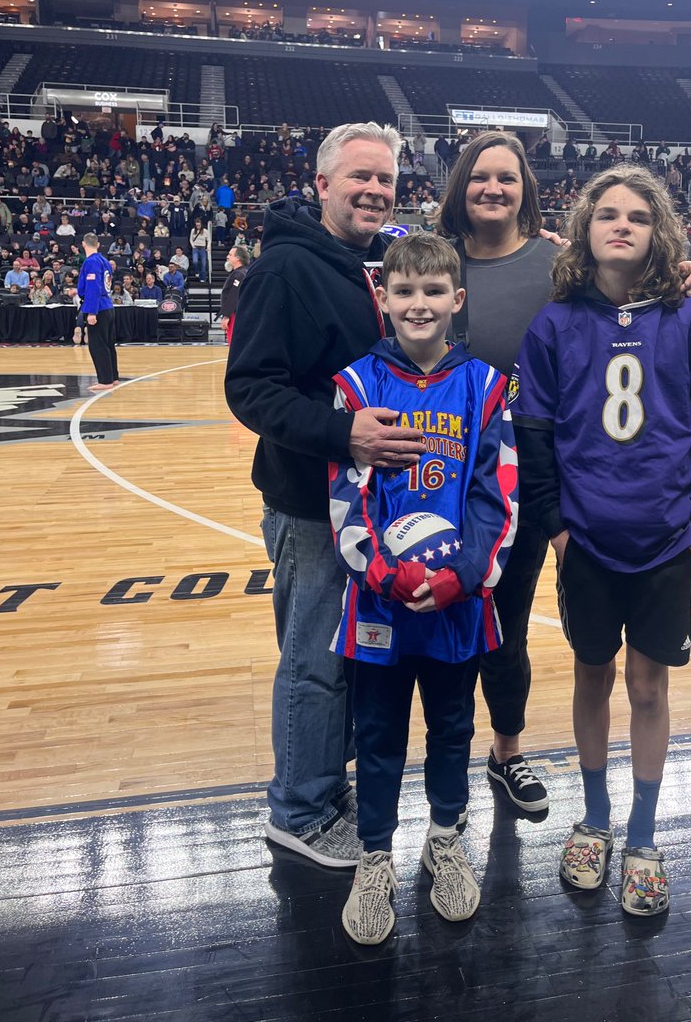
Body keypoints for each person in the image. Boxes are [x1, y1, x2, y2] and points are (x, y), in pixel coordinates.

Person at [509, 164, 691, 916]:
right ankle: (593, 820)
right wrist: (554, 528)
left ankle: (644, 834)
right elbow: (533, 435)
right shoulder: (554, 323)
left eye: (639, 217)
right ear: (584, 227)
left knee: (649, 687)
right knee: (592, 676)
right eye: (607, 213)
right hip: (584, 545)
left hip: (664, 549)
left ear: (661, 234)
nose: (622, 224)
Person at [435, 132, 691, 812]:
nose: (493, 188)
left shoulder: (557, 262)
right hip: (439, 473)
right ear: (459, 186)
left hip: (525, 477)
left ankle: (507, 753)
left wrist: (690, 272)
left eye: (507, 176)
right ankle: (441, 772)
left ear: (527, 190)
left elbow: (636, 280)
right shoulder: (437, 261)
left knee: (507, 626)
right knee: (435, 625)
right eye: (480, 176)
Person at [225, 122, 426, 867]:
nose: (374, 191)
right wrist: (345, 435)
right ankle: (299, 811)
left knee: (338, 658)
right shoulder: (286, 268)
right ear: (322, 186)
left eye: (386, 182)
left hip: (354, 504)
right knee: (313, 660)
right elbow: (250, 389)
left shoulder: (351, 263)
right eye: (360, 178)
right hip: (311, 505)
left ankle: (319, 786)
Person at [332, 233, 517, 944]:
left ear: (456, 301)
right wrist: (383, 570)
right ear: (383, 299)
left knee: (452, 728)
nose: (419, 304)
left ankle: (445, 837)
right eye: (404, 291)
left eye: (433, 291)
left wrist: (460, 574)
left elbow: (497, 495)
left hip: (456, 603)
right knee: (376, 736)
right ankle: (374, 856)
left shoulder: (485, 386)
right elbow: (346, 495)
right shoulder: (355, 383)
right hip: (379, 601)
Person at [76, 232, 119, 392]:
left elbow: (94, 287)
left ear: (83, 244)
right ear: (98, 245)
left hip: (98, 307)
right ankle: (113, 377)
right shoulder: (104, 261)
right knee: (108, 345)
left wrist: (91, 312)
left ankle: (105, 380)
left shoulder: (91, 262)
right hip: (107, 305)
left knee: (98, 346)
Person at [219, 245, 249, 344]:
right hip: (238, 313)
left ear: (238, 258)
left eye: (230, 255)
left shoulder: (240, 274)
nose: (227, 257)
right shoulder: (242, 272)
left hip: (235, 314)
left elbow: (233, 295)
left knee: (234, 343)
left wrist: (226, 316)